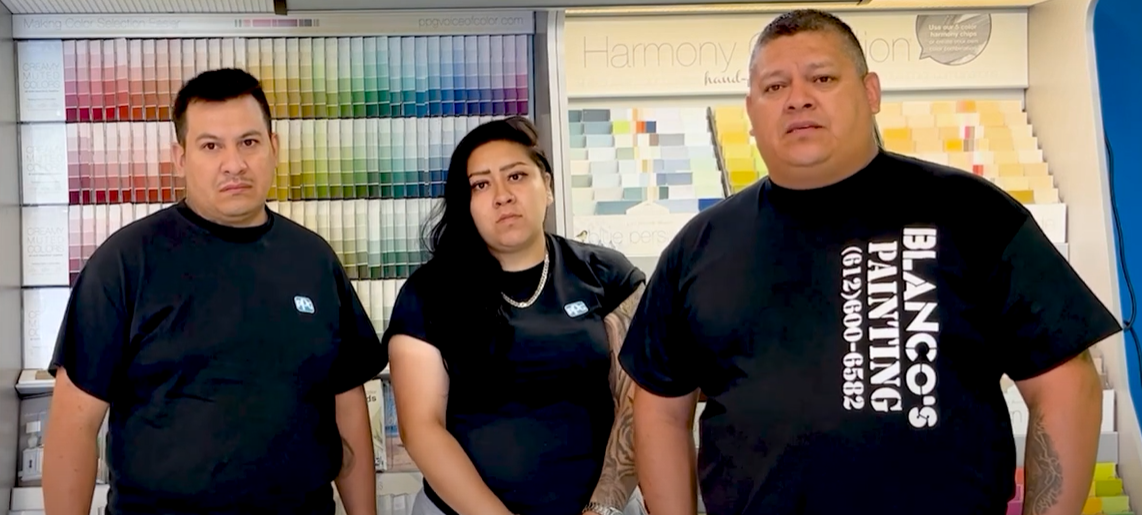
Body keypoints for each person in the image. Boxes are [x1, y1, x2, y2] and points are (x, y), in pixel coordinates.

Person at [620, 9, 1121, 515]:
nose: (798, 98)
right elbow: (661, 409)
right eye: (774, 87)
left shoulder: (971, 213)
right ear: (751, 111)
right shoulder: (698, 247)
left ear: (871, 92)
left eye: (822, 78)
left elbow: (1065, 383)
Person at [41, 68, 385, 515]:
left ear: (273, 147)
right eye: (211, 146)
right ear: (180, 157)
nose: (234, 163)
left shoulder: (314, 260)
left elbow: (347, 405)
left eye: (249, 142)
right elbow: (73, 428)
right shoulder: (125, 263)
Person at [383, 116, 646, 515]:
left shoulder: (608, 275)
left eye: (517, 176)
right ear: (466, 203)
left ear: (548, 186)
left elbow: (638, 406)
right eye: (481, 184)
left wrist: (602, 507)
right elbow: (422, 429)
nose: (502, 196)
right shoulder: (428, 293)